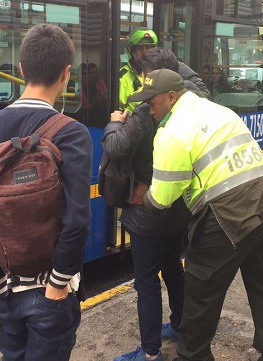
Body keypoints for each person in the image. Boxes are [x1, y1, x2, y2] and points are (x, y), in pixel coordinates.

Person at [132, 68, 263, 361]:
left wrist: (141, 197)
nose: (149, 109)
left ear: (172, 96)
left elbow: (162, 198)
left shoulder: (171, 133)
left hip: (227, 215)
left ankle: (192, 356)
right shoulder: (218, 110)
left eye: (152, 102)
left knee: (201, 293)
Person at [0, 24, 92, 361]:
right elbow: (77, 220)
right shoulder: (73, 133)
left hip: (1, 286)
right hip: (49, 287)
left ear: (21, 70)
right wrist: (58, 285)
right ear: (67, 74)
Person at [106, 48, 208, 361]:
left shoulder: (144, 110)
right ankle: (179, 325)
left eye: (147, 75)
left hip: (146, 207)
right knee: (174, 270)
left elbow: (117, 146)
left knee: (147, 281)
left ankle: (150, 354)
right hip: (176, 204)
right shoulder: (192, 103)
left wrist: (113, 123)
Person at [119, 28, 158, 113]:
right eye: (139, 48)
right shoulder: (123, 76)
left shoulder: (160, 73)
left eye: (148, 48)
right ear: (132, 51)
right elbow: (119, 112)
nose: (144, 52)